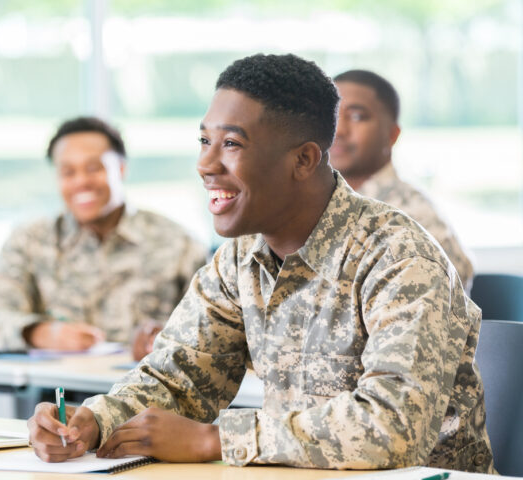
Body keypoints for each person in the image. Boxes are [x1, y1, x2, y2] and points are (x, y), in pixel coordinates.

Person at [27, 54, 493, 473]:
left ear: (304, 159)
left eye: (230, 144)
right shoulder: (239, 256)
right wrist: (96, 420)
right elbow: (180, 374)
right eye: (204, 140)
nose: (205, 164)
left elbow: (393, 427)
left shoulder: (398, 256)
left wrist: (215, 439)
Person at [0, 116, 207, 361]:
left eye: (94, 168)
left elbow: (214, 330)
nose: (81, 181)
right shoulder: (30, 241)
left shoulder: (179, 244)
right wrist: (39, 333)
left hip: (151, 391)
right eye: (68, 172)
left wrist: (166, 340)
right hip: (56, 392)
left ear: (121, 169)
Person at [330, 69, 474, 291]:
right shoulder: (315, 204)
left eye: (357, 116)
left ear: (392, 135)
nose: (338, 129)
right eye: (331, 115)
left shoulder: (416, 217)